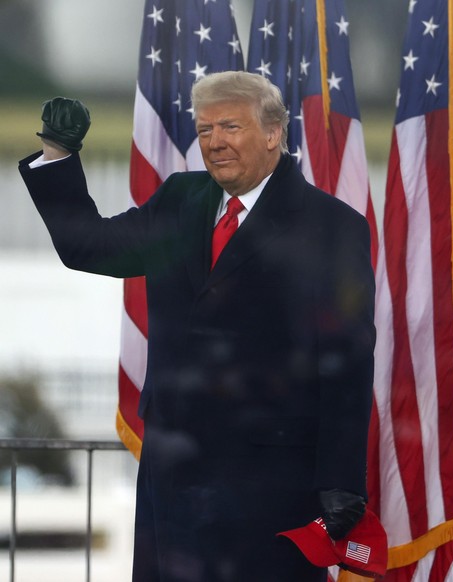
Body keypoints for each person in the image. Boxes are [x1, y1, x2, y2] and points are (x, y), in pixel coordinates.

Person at [18, 71, 376, 582]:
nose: (215, 143)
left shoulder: (331, 226)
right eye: (205, 130)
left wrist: (343, 483)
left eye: (230, 127)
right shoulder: (180, 200)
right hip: (174, 480)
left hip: (272, 490)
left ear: (273, 133)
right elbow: (88, 247)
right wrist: (58, 153)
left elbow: (347, 362)